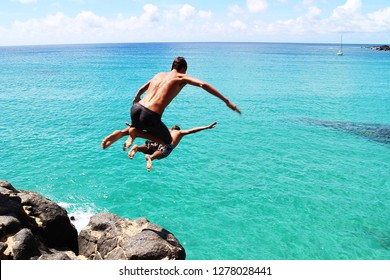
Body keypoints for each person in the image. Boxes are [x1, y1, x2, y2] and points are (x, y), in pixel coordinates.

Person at [101, 57, 241, 150]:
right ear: (184, 69)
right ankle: (135, 133)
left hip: (136, 109)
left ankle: (123, 133)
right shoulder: (181, 77)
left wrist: (136, 99)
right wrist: (227, 101)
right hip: (150, 115)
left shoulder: (159, 74)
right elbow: (203, 84)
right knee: (167, 142)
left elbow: (140, 90)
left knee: (138, 126)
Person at [128, 122, 217, 172]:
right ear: (178, 129)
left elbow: (150, 130)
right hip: (168, 144)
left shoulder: (167, 130)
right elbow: (192, 130)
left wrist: (133, 126)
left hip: (159, 140)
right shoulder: (179, 132)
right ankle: (150, 158)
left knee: (150, 148)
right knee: (162, 153)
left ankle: (138, 148)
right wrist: (206, 127)